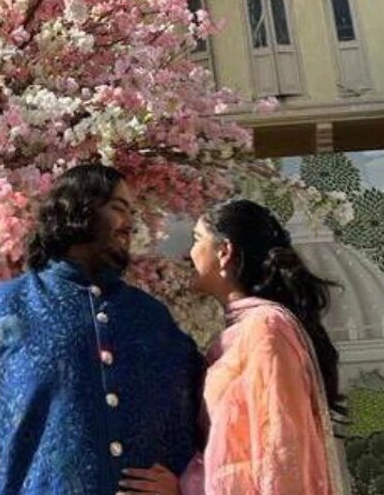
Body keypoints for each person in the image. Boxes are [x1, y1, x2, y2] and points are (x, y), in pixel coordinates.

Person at [0, 164, 203, 495]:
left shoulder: (151, 317)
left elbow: (210, 412)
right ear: (78, 210)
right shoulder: (7, 310)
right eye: (118, 209)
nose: (130, 224)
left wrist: (186, 483)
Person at [121, 199, 345, 495]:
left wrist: (185, 490)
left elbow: (280, 457)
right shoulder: (243, 333)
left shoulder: (266, 330)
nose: (188, 253)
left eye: (197, 240)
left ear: (224, 252)